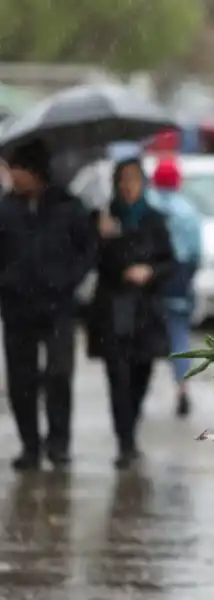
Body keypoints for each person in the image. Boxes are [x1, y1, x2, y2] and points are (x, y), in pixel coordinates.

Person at [0, 140, 95, 470]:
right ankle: (30, 446)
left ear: (35, 171)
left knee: (58, 375)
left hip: (58, 308)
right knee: (21, 381)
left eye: (17, 169)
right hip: (16, 309)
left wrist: (69, 279)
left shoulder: (68, 206)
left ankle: (59, 444)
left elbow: (87, 248)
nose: (12, 175)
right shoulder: (6, 208)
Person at [86, 155, 175, 469]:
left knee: (141, 374)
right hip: (113, 311)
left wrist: (150, 271)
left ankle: (131, 427)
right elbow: (91, 261)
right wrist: (102, 237)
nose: (128, 186)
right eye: (123, 180)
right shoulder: (103, 218)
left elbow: (170, 262)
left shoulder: (154, 219)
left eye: (134, 179)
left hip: (146, 312)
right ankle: (125, 442)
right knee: (118, 378)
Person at [149, 157, 203, 418]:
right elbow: (195, 253)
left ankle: (140, 391)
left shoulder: (148, 206)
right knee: (179, 336)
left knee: (144, 336)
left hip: (150, 278)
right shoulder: (187, 210)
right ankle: (182, 389)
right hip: (179, 278)